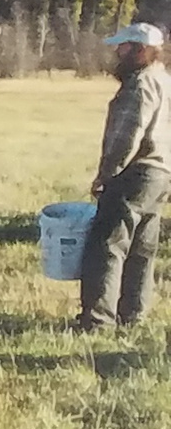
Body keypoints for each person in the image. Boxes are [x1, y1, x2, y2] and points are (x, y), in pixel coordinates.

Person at [74, 21, 167, 333]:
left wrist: (107, 174)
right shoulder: (165, 81)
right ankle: (132, 316)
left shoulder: (139, 84)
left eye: (123, 47)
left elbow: (128, 135)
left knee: (108, 244)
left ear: (140, 50)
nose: (117, 52)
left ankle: (97, 321)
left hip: (135, 172)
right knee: (142, 249)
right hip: (161, 175)